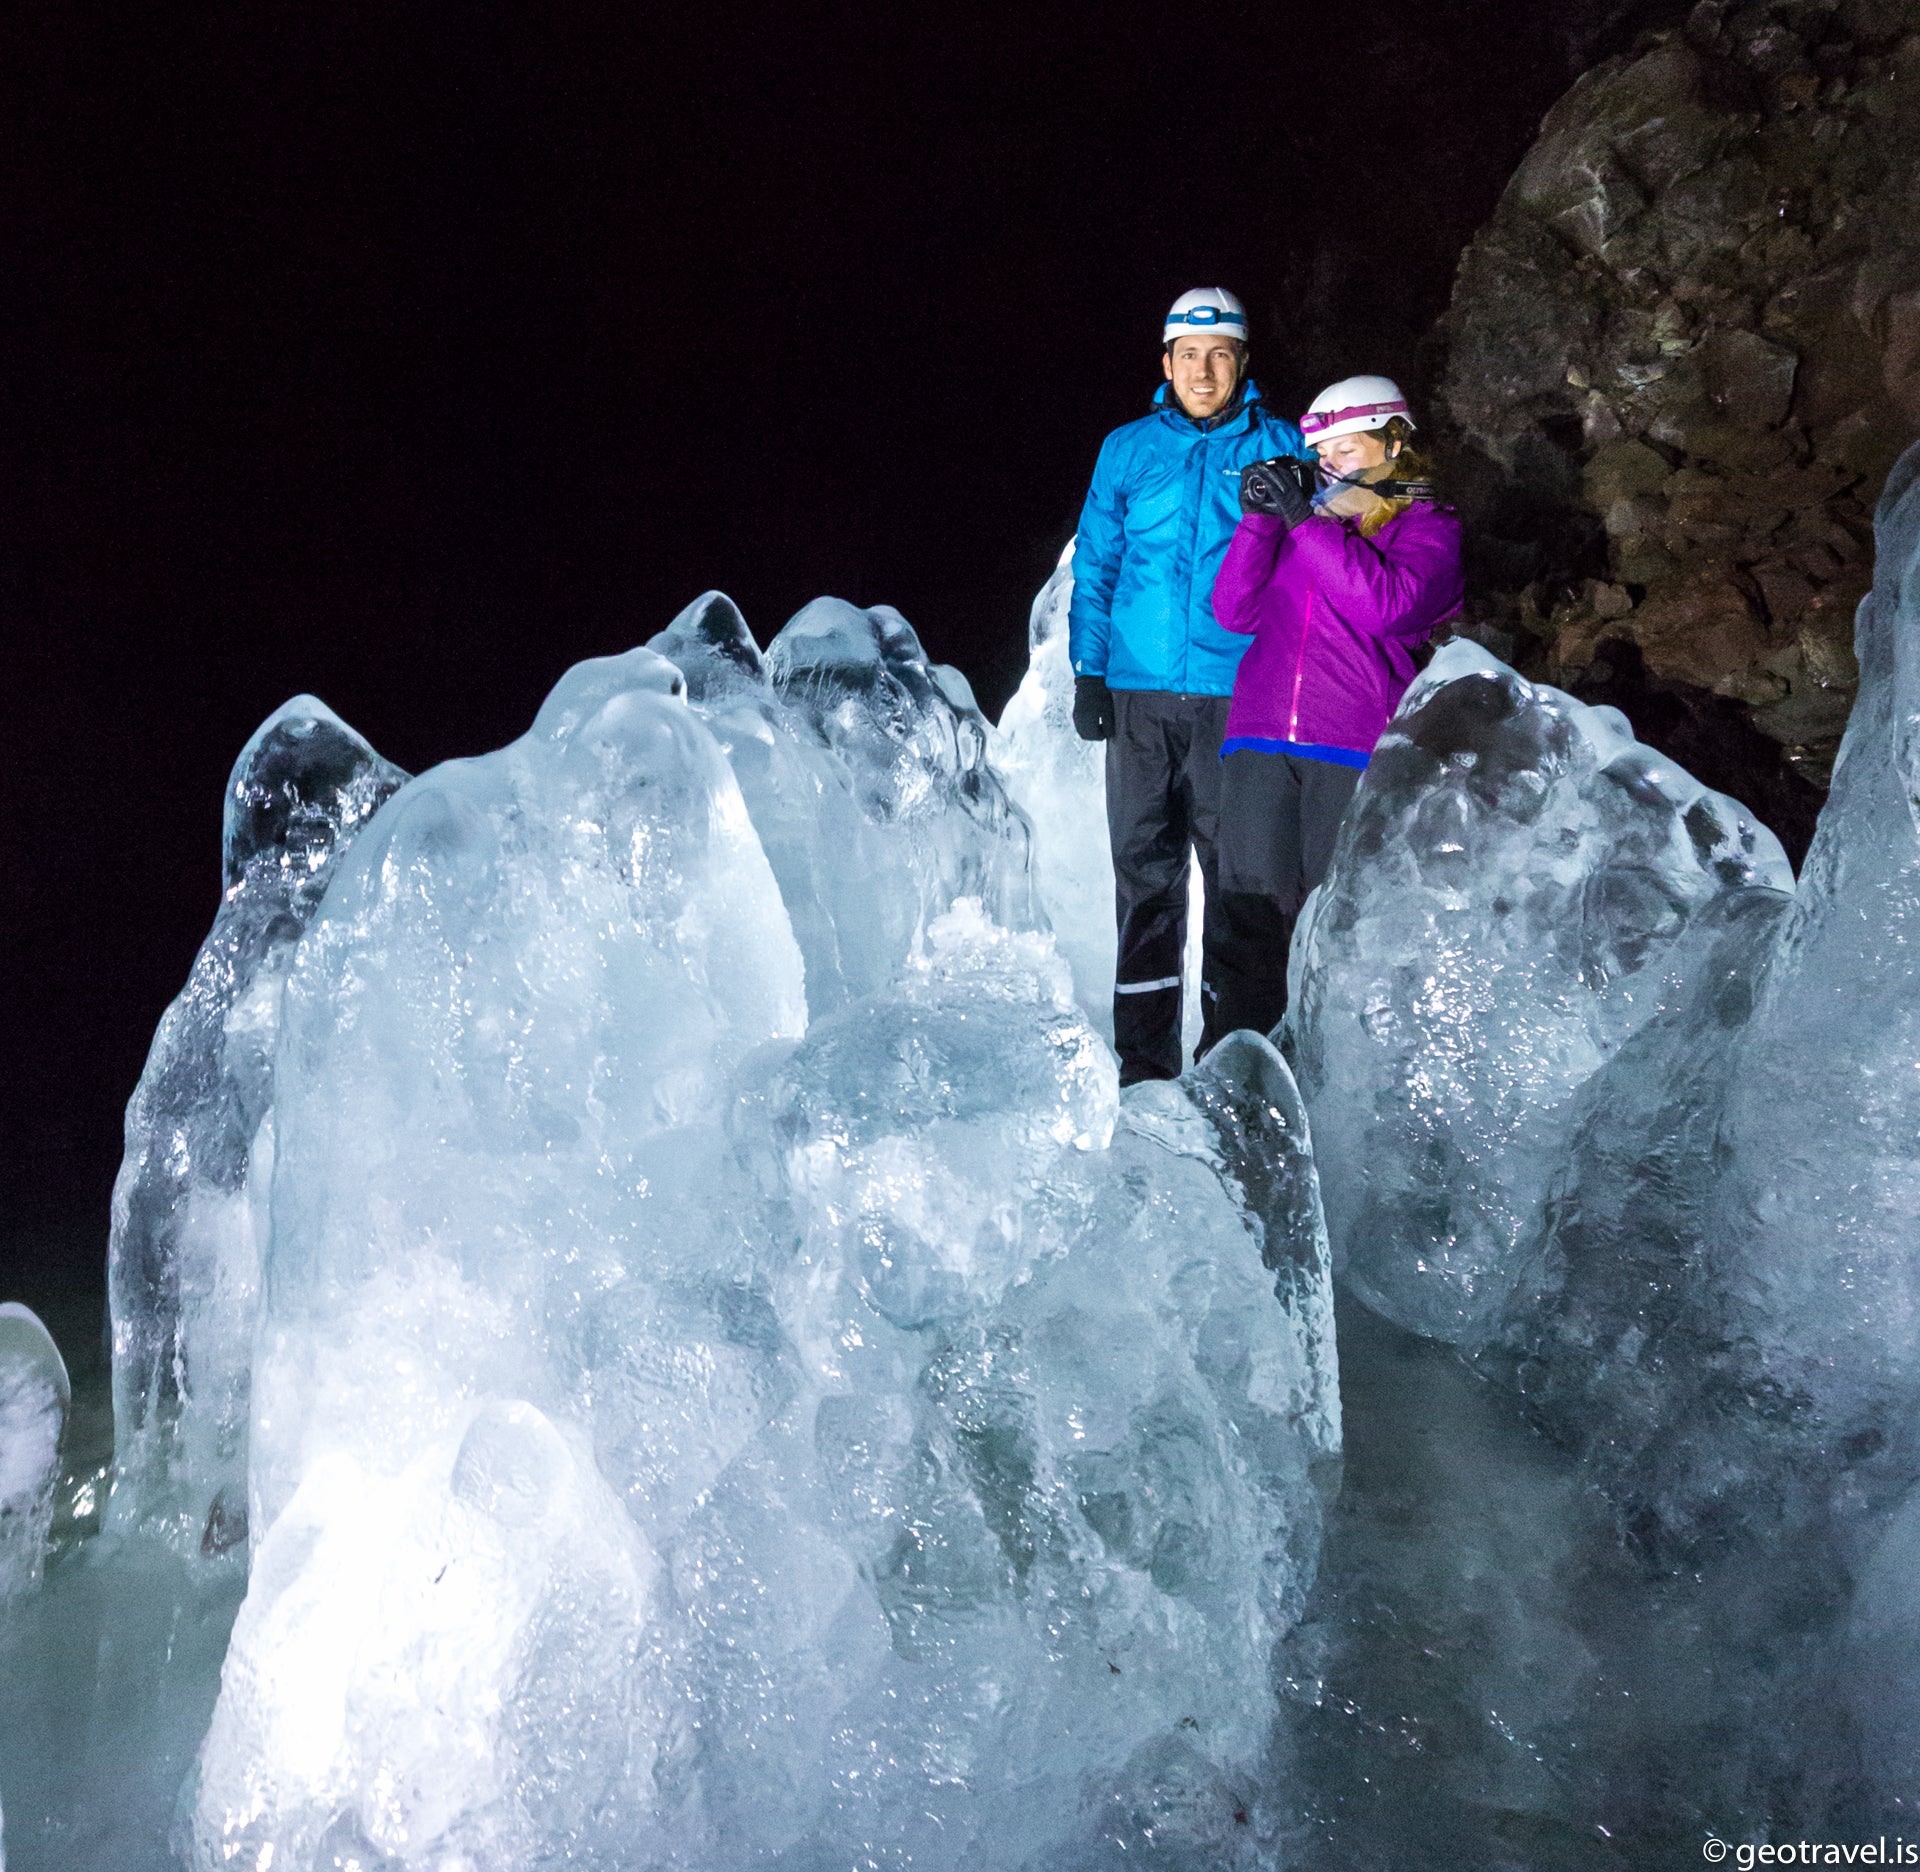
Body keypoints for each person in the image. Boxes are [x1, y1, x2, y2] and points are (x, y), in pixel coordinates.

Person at [1067, 288, 1314, 1085]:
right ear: (1166, 363)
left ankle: (1235, 1067)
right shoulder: (1127, 449)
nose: (1202, 371)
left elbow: (1333, 554)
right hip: (1138, 701)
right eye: (1188, 356)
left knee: (1242, 887)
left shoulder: (1283, 445)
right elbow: (1097, 566)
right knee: (1146, 882)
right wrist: (1089, 672)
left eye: (1219, 356)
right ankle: (1142, 1063)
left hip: (1240, 700)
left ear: (1242, 362)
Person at [1207, 374, 1464, 1039]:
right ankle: (1235, 1083)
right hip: (1259, 739)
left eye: (1346, 451)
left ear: (1394, 442)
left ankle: (1330, 1088)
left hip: (1350, 747)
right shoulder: (1306, 527)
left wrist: (1303, 522)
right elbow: (1233, 610)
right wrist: (1263, 521)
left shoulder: (1429, 528)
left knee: (1338, 929)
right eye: (1323, 455)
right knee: (1247, 925)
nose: (1330, 467)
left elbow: (1385, 606)